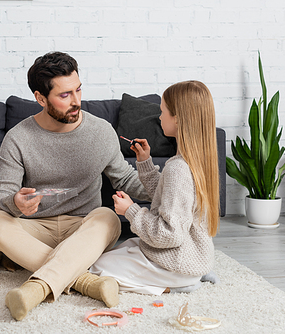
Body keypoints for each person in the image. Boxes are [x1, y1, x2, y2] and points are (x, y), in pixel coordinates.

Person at [0, 51, 150, 320]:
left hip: (84, 226)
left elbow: (127, 181)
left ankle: (36, 289)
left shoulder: (101, 131)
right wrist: (14, 202)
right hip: (36, 226)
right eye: (64, 95)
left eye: (78, 90)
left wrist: (169, 185)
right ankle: (86, 282)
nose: (76, 102)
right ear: (40, 98)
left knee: (109, 217)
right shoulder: (18, 138)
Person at [90, 80, 220, 295]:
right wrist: (145, 162)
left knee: (95, 268)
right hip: (192, 255)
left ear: (178, 118)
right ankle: (195, 273)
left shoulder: (178, 168)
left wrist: (130, 210)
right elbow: (166, 199)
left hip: (175, 263)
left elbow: (168, 235)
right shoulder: (199, 162)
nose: (159, 117)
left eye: (162, 112)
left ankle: (179, 284)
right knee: (127, 247)